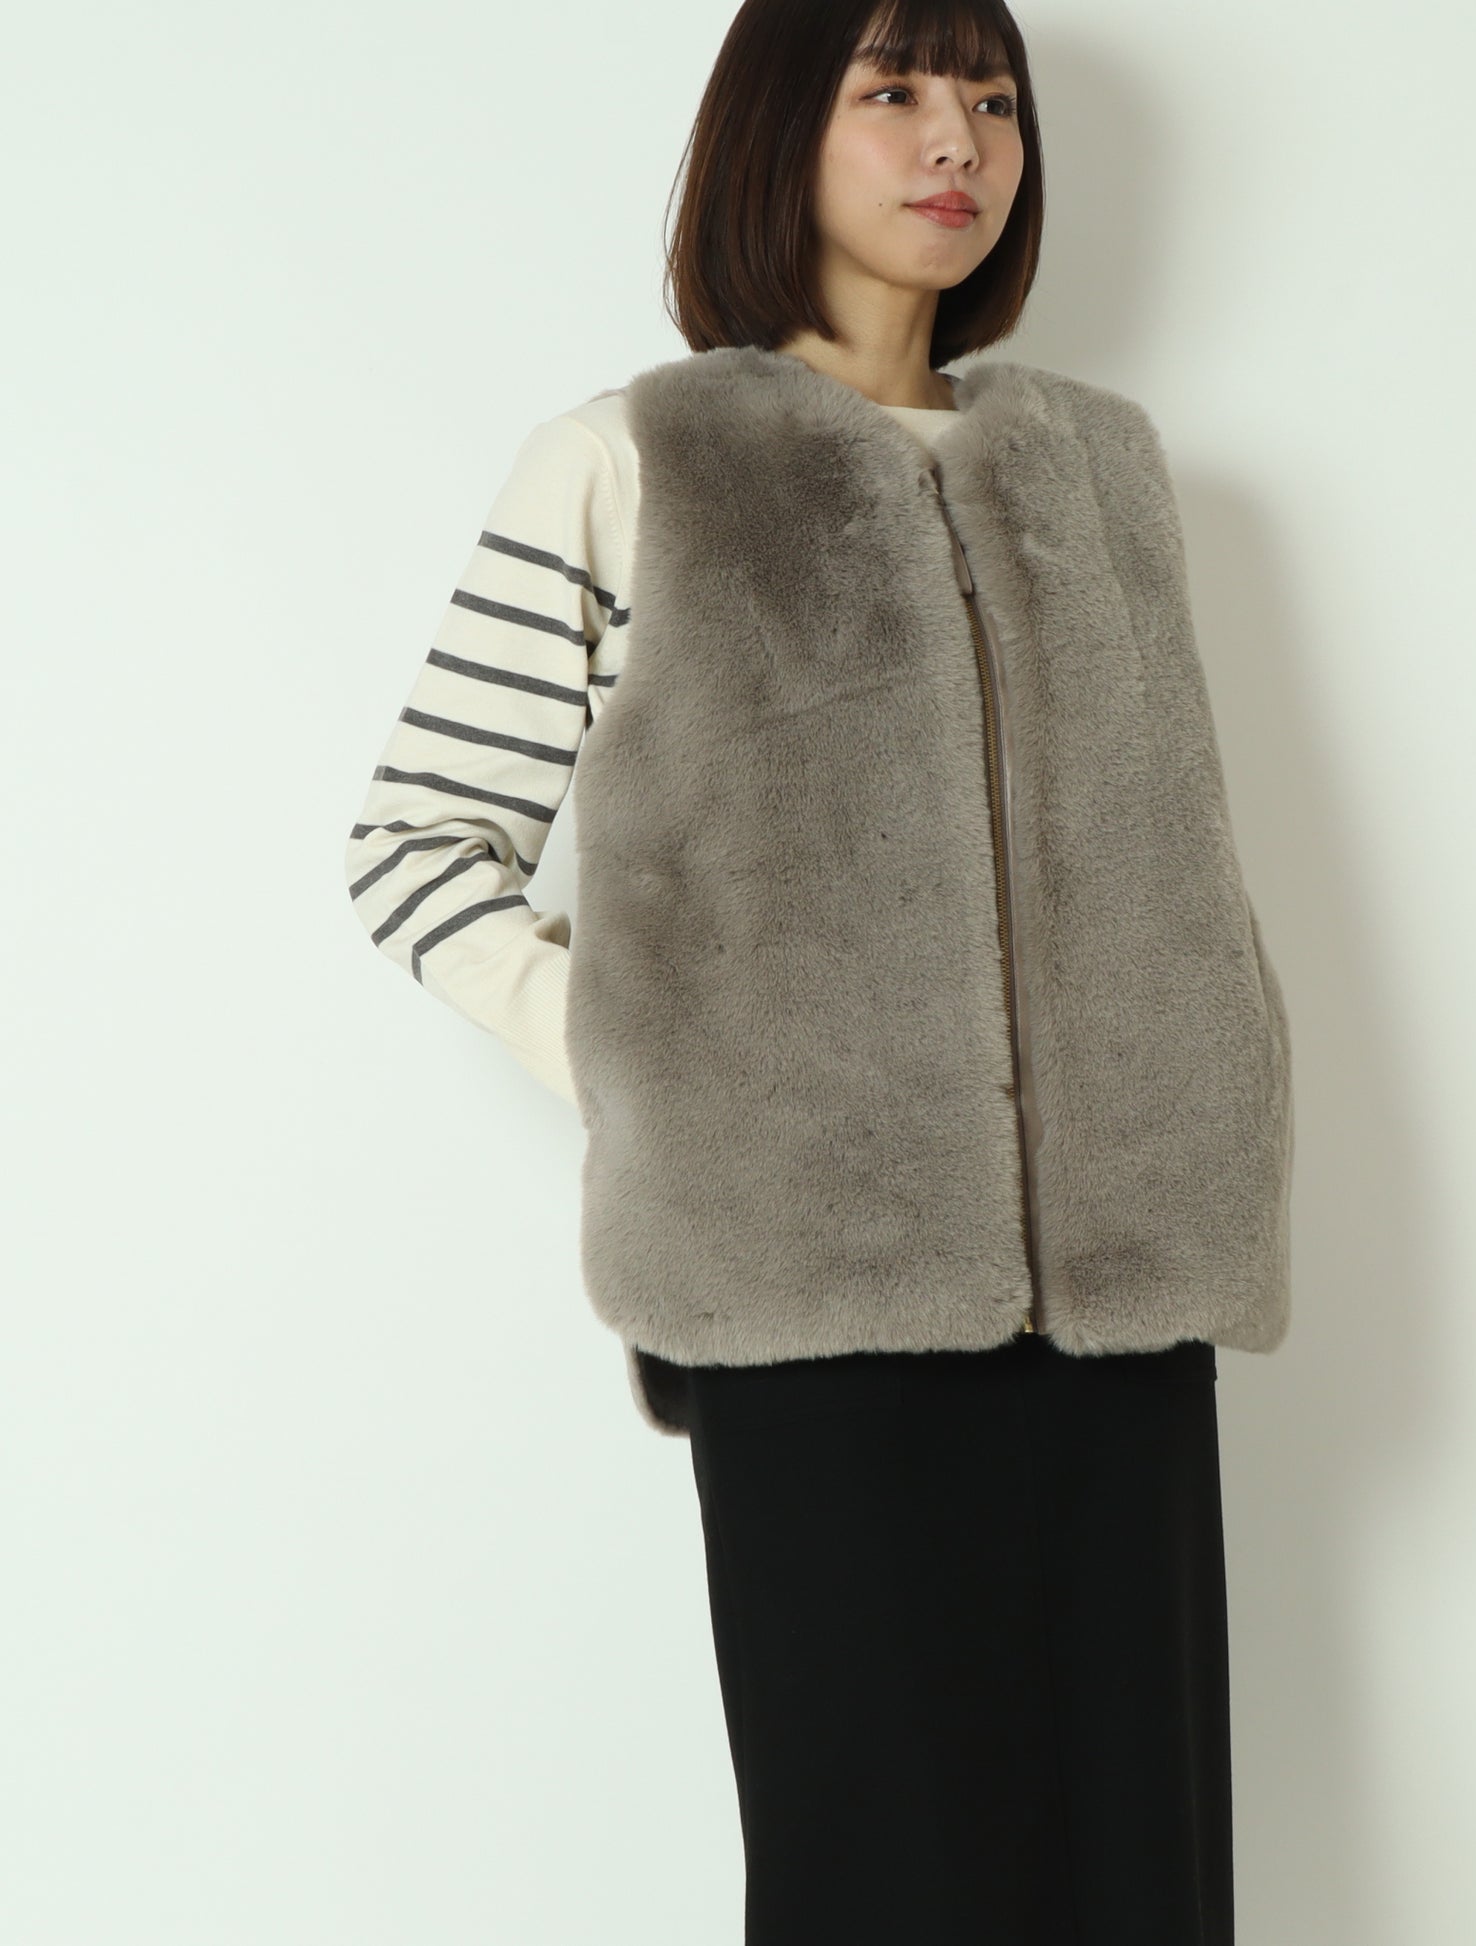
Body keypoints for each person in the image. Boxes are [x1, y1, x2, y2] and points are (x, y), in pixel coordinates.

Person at [343, 3, 1294, 1940]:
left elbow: (1173, 847)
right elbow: (418, 842)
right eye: (894, 92)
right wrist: (671, 1075)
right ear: (778, 130)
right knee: (884, 1879)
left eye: (994, 101)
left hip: (1121, 1291)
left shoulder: (1097, 468)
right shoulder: (632, 457)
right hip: (810, 1305)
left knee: (1138, 1878)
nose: (960, 141)